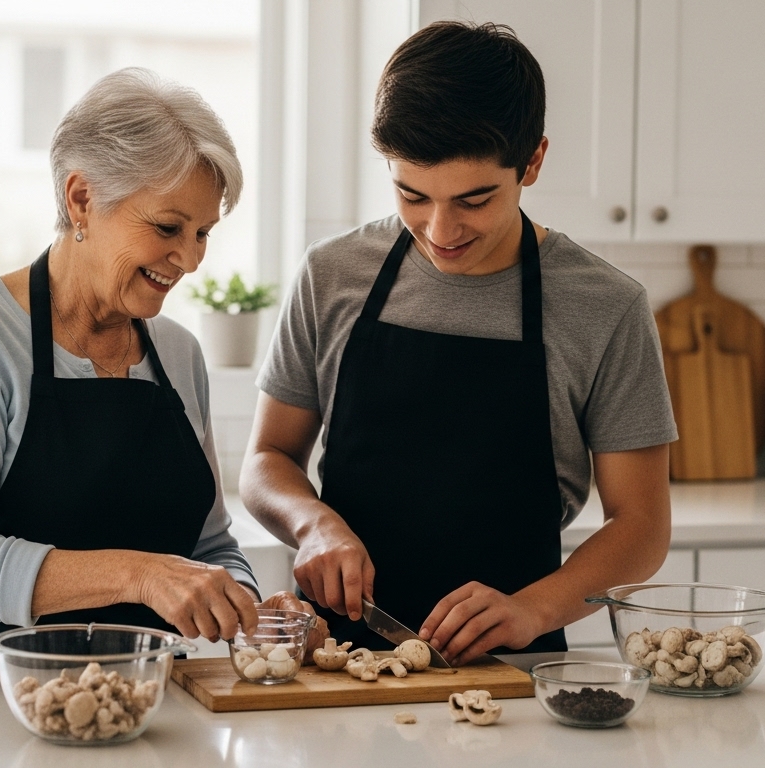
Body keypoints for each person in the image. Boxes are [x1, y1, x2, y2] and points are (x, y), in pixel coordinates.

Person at [241, 22, 678, 665]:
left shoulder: (606, 305)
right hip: (338, 659)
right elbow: (267, 458)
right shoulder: (332, 274)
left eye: (474, 199)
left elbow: (641, 527)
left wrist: (533, 608)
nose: (440, 230)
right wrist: (311, 523)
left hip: (513, 665)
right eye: (411, 195)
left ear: (532, 161)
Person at [0, 68, 314, 680]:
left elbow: (208, 547)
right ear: (81, 198)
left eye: (203, 234)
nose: (190, 259)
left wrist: (248, 602)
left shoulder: (179, 354)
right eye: (168, 228)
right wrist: (142, 574)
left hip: (133, 699)